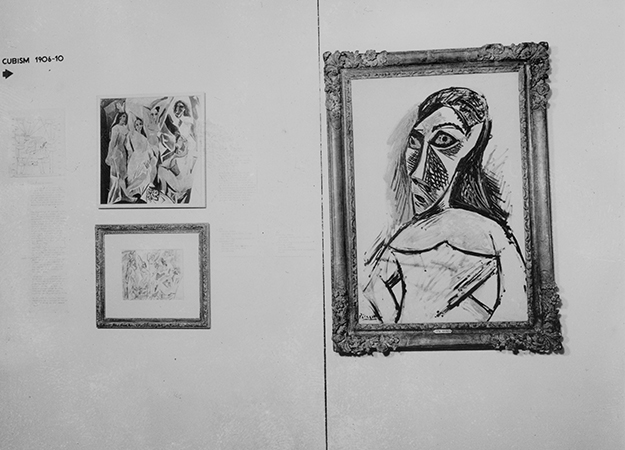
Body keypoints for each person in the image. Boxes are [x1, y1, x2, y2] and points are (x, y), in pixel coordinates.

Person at [361, 87, 527, 324]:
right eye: (414, 141)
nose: (417, 172)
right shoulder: (404, 238)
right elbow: (369, 301)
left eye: (444, 140)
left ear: (471, 147)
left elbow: (520, 311)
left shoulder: (493, 237)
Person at [126, 117, 157, 199]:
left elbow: (149, 151)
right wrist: (130, 160)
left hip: (145, 158)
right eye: (136, 124)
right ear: (134, 126)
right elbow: (129, 149)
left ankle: (140, 194)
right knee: (139, 175)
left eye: (140, 124)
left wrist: (150, 161)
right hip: (136, 158)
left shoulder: (145, 138)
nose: (138, 126)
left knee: (145, 174)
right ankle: (129, 191)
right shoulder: (131, 135)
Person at [105, 112, 129, 203]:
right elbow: (112, 142)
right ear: (119, 117)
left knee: (122, 174)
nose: (125, 118)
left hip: (123, 152)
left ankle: (124, 195)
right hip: (116, 152)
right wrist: (109, 155)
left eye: (126, 117)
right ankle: (113, 197)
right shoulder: (116, 128)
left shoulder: (125, 129)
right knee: (116, 174)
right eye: (123, 116)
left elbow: (126, 143)